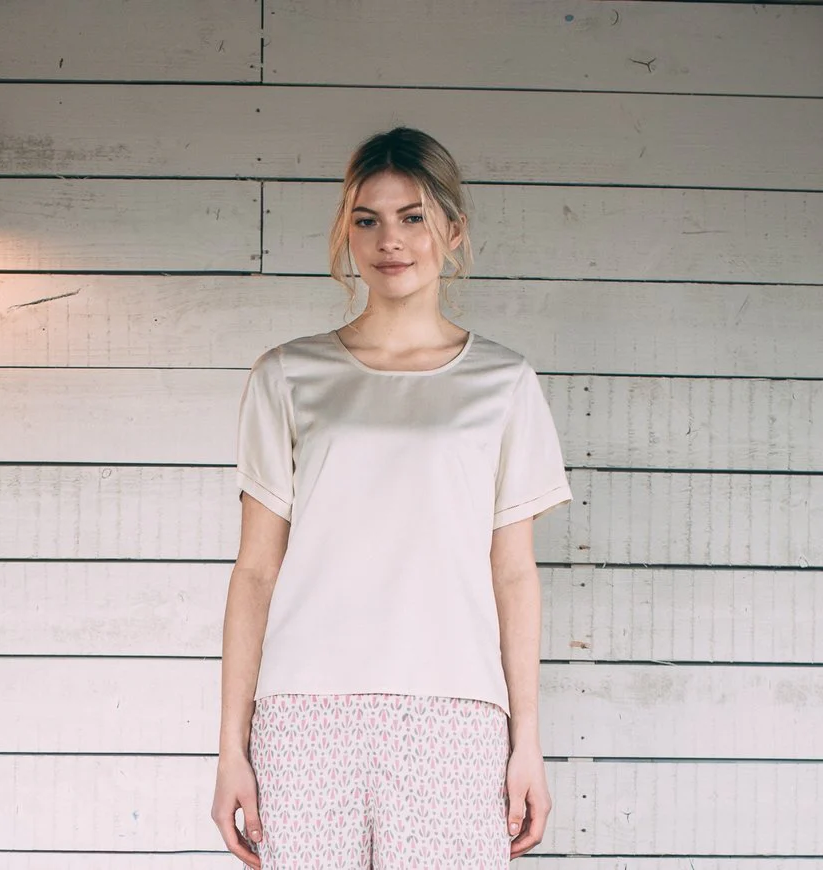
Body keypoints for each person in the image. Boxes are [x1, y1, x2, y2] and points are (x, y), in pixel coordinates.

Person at [211, 127, 573, 869]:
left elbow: (513, 572)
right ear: (347, 232)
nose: (391, 240)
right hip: (304, 714)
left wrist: (527, 741)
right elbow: (255, 571)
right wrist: (230, 748)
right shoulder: (287, 375)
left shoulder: (504, 383)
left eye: (413, 217)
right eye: (368, 219)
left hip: (456, 713)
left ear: (453, 230)